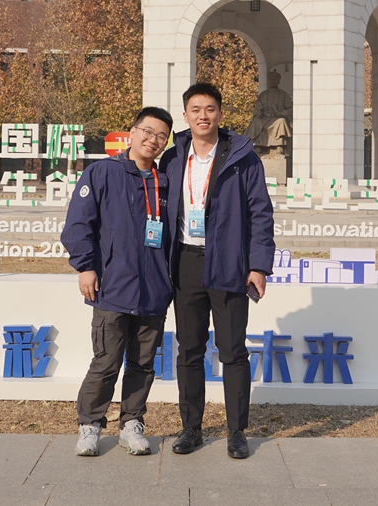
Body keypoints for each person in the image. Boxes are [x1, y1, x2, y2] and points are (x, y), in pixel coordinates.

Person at [162, 83, 275, 459]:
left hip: (229, 262)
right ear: (185, 115)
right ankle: (191, 428)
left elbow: (261, 214)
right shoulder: (173, 157)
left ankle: (236, 432)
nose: (203, 116)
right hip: (186, 262)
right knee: (189, 349)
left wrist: (258, 265)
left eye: (210, 109)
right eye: (196, 109)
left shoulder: (244, 159)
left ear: (220, 114)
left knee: (233, 351)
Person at [61, 107, 174, 456]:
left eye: (161, 136)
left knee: (142, 364)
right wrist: (85, 267)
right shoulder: (103, 172)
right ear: (133, 131)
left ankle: (132, 424)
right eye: (148, 131)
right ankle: (90, 425)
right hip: (112, 286)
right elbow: (78, 224)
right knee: (106, 362)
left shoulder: (165, 181)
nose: (153, 140)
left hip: (154, 290)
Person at [243, 71, 292, 155]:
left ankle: (279, 146)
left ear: (278, 81)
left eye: (274, 80)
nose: (272, 81)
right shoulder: (263, 95)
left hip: (277, 118)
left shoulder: (284, 95)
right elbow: (258, 108)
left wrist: (282, 113)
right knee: (256, 121)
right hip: (265, 118)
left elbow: (290, 109)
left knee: (282, 121)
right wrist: (258, 113)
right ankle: (259, 145)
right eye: (270, 79)